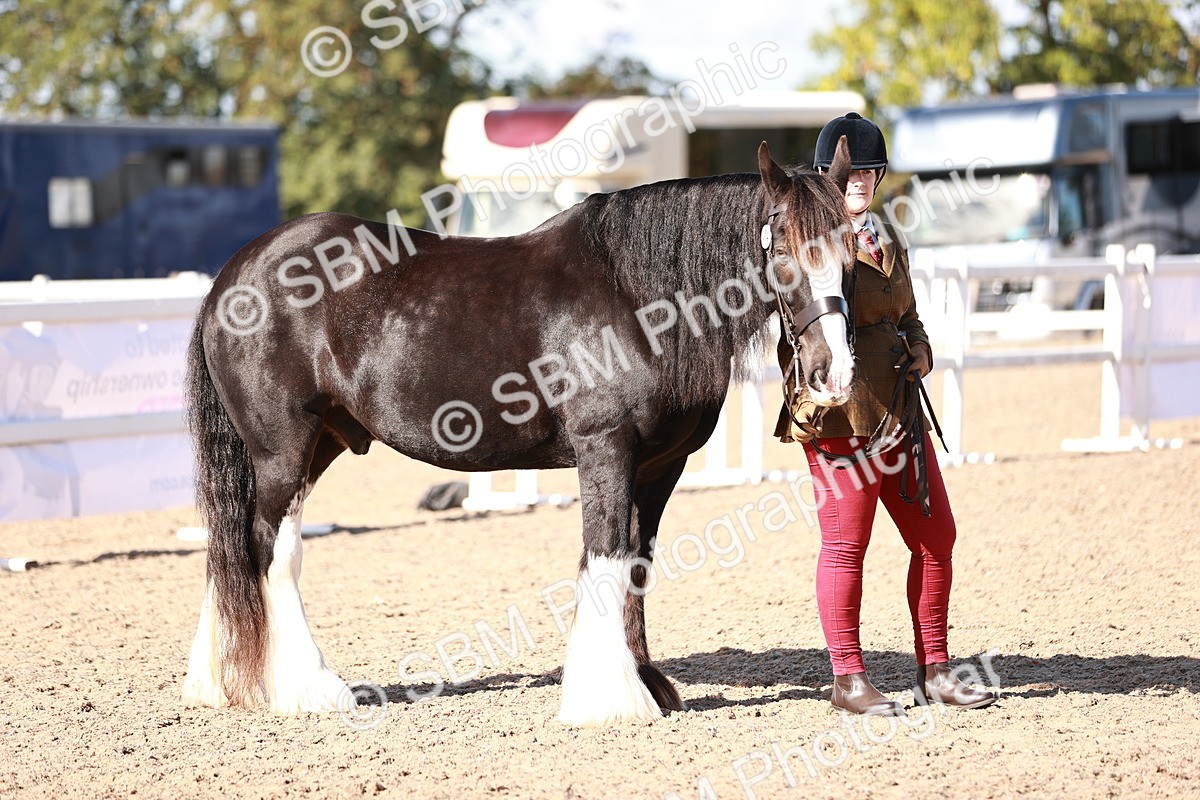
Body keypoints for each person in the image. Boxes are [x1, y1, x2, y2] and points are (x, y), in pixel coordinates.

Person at [775, 112, 997, 716]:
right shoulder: (811, 242)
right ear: (827, 175)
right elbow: (805, 319)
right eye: (850, 173)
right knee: (847, 545)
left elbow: (906, 312)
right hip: (841, 412)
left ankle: (936, 670)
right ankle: (847, 679)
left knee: (936, 538)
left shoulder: (887, 236)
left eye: (870, 172)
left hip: (900, 409)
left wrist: (920, 344)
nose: (860, 183)